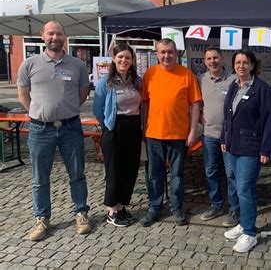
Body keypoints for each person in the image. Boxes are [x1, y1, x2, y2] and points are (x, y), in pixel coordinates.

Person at [17, 21, 91, 241]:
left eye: (59, 33)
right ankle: (42, 218)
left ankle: (81, 213)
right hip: (40, 129)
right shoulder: (29, 64)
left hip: (70, 127)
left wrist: (65, 110)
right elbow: (23, 95)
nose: (55, 37)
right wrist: (39, 112)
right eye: (50, 33)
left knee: (77, 174)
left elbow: (83, 93)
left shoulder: (77, 65)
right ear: (43, 36)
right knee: (40, 177)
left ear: (64, 37)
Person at [141, 38, 201, 227]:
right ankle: (154, 207)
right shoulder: (150, 74)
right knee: (155, 174)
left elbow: (195, 105)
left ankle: (176, 207)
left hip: (178, 135)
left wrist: (192, 132)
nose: (166, 56)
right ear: (157, 54)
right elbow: (144, 104)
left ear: (176, 54)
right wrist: (143, 129)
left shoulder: (187, 75)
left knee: (177, 175)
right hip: (154, 134)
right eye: (162, 52)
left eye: (170, 52)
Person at [221, 50, 271, 253]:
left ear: (252, 65)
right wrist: (223, 139)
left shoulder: (260, 88)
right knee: (236, 184)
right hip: (232, 145)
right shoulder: (234, 85)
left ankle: (250, 233)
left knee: (245, 189)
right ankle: (243, 224)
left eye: (245, 62)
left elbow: (268, 120)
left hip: (250, 148)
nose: (241, 66)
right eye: (237, 62)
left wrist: (265, 148)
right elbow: (227, 116)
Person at [93, 43, 142, 227]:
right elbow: (98, 110)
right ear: (114, 58)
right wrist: (109, 126)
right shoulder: (106, 82)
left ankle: (122, 206)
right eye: (120, 57)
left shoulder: (137, 81)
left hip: (134, 127)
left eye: (127, 57)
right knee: (114, 170)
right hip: (114, 128)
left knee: (130, 168)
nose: (124, 60)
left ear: (132, 60)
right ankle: (112, 210)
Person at [198, 47, 239, 226]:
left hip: (229, 136)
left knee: (231, 173)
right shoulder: (201, 79)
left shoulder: (233, 79)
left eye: (215, 58)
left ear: (222, 59)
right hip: (208, 134)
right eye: (209, 59)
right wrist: (199, 114)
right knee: (210, 171)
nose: (212, 61)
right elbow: (197, 104)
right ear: (205, 61)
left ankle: (235, 209)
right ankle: (216, 204)